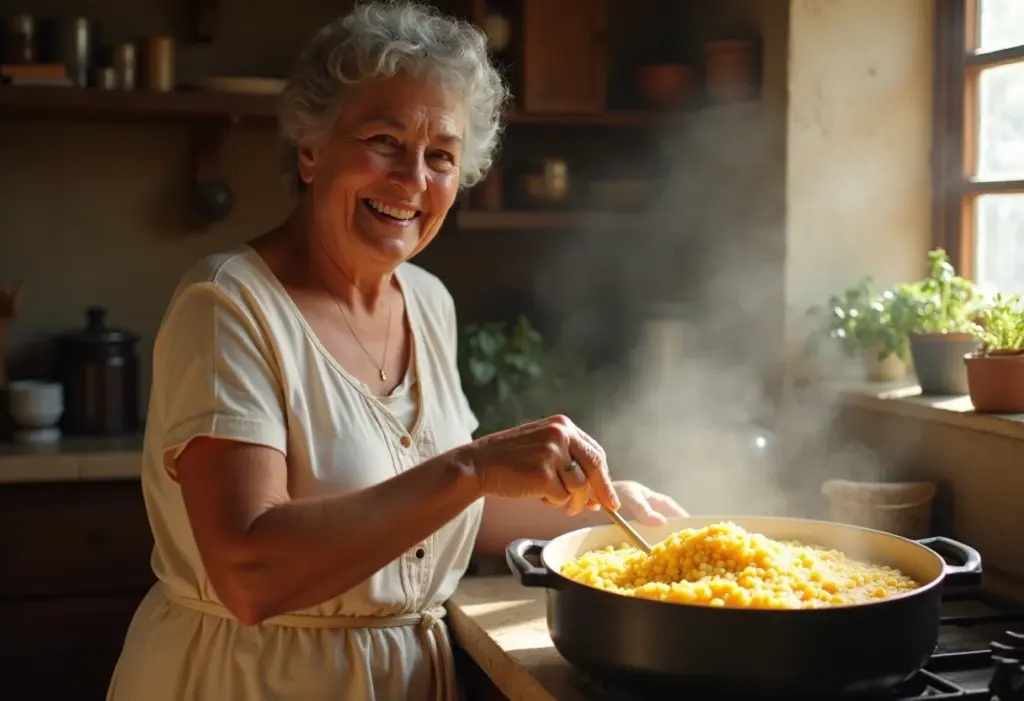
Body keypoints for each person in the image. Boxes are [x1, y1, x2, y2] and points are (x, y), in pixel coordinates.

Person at [105, 2, 687, 700]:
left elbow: (444, 507)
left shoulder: (428, 301)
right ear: (310, 148)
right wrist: (474, 463)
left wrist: (599, 506)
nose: (413, 179)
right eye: (384, 140)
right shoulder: (228, 304)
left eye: (441, 155)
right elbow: (249, 572)